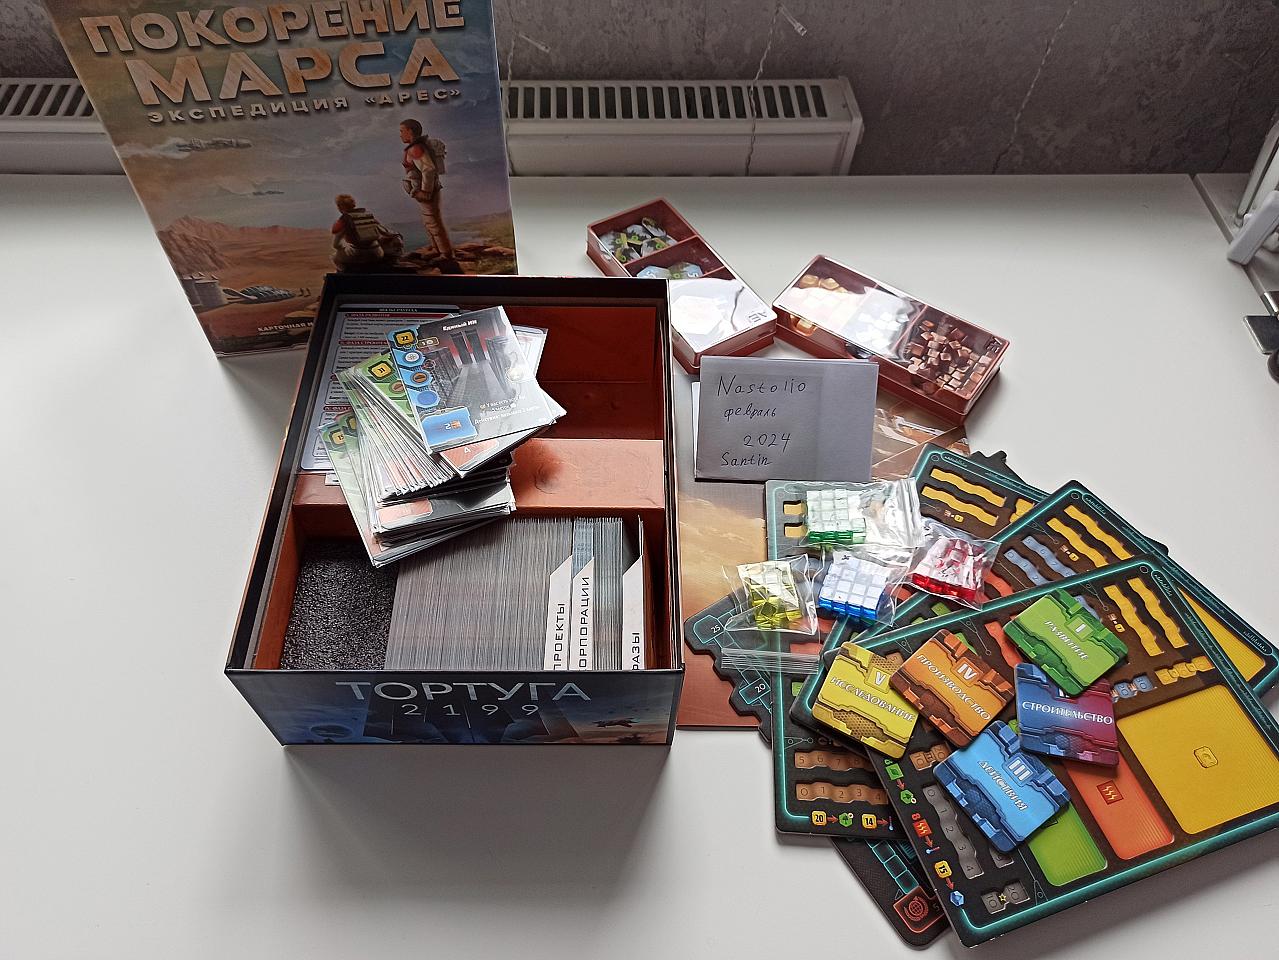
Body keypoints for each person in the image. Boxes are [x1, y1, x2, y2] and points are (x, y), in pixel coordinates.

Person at [399, 118, 461, 273]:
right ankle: (436, 249)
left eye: (402, 131)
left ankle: (446, 254)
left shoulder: (416, 149)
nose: (400, 134)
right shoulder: (415, 147)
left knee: (433, 222)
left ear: (410, 131)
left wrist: (425, 191)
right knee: (429, 221)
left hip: (427, 192)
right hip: (423, 191)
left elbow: (428, 169)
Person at [330, 194, 403, 270]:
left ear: (340, 207)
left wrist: (344, 247)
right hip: (377, 253)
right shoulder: (367, 216)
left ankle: (346, 274)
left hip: (357, 253)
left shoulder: (344, 220)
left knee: (335, 258)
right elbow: (385, 232)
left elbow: (336, 245)